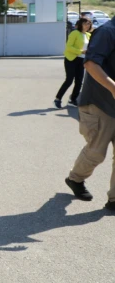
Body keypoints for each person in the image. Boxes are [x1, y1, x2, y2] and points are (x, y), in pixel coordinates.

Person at [64, 14, 115, 212]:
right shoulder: (107, 32)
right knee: (96, 151)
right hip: (99, 103)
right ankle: (75, 179)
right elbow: (91, 64)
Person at [54, 17, 92, 108]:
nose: (88, 25)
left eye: (89, 24)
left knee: (79, 81)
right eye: (86, 23)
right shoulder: (75, 33)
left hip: (81, 60)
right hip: (71, 59)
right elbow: (69, 47)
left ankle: (73, 100)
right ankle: (57, 99)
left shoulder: (88, 35)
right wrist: (81, 51)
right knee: (69, 80)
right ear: (80, 24)